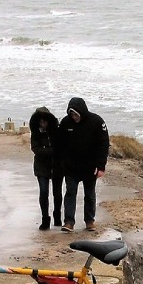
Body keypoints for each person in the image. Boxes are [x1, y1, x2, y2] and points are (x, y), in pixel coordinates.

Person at [57, 97, 109, 233]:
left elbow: (103, 144)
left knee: (90, 194)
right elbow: (60, 145)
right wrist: (62, 164)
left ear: (82, 112)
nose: (74, 117)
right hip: (71, 167)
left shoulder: (97, 121)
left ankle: (90, 221)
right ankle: (68, 222)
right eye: (71, 114)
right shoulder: (65, 122)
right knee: (70, 193)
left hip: (90, 167)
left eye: (76, 114)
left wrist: (101, 166)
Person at [28, 107, 63, 230]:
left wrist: (47, 150)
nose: (43, 124)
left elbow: (61, 147)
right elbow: (36, 149)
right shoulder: (35, 133)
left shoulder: (57, 131)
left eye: (44, 121)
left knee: (57, 193)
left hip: (57, 167)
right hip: (41, 167)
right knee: (43, 192)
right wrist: (52, 151)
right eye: (40, 121)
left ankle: (57, 217)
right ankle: (45, 219)